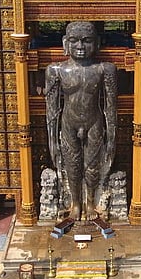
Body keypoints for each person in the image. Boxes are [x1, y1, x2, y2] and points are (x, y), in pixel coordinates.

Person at [45, 21, 117, 221]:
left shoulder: (104, 69)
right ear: (65, 43)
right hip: (69, 122)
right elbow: (52, 110)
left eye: (86, 41)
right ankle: (76, 204)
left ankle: (90, 203)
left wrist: (112, 137)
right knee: (72, 166)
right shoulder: (56, 70)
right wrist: (52, 140)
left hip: (94, 122)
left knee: (92, 166)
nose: (80, 46)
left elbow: (110, 106)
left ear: (97, 43)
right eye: (74, 41)